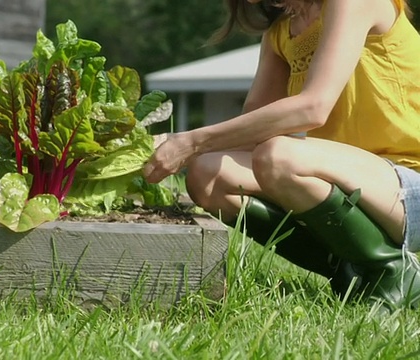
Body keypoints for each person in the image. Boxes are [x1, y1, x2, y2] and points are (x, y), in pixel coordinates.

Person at [143, 0, 420, 310]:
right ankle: (350, 269)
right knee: (208, 174)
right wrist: (153, 147)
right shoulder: (280, 34)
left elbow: (313, 107)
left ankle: (394, 270)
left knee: (278, 157)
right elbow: (252, 130)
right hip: (357, 182)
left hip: (409, 183)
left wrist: (192, 141)